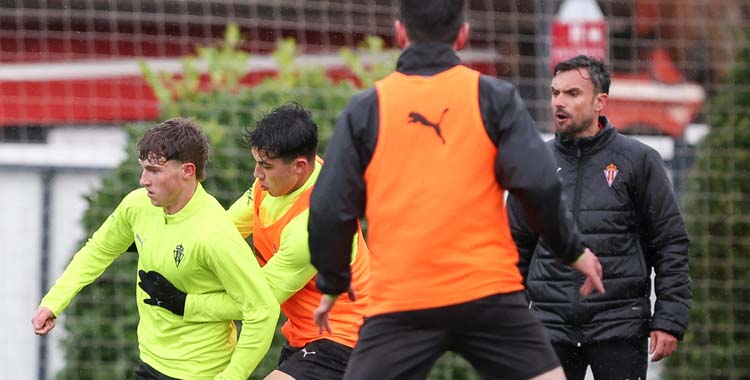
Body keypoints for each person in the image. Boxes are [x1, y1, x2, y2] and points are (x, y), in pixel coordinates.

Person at [306, 2, 605, 380]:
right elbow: (539, 186)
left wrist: (332, 283)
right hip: (486, 294)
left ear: (400, 33)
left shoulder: (367, 108)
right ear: (462, 34)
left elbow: (330, 209)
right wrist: (573, 251)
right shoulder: (494, 97)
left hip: (402, 301)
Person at [31, 118, 280, 380]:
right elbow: (98, 251)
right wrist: (53, 302)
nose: (143, 180)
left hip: (199, 372)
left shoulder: (215, 234)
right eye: (143, 169)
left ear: (187, 171)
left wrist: (231, 377)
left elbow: (262, 310)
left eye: (154, 171)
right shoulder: (137, 206)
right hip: (149, 363)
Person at [138, 103, 371, 380]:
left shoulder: (315, 226)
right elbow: (221, 232)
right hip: (305, 336)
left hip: (349, 340)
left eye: (266, 166)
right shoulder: (277, 182)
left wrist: (184, 304)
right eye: (256, 162)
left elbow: (255, 302)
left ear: (299, 166)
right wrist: (170, 236)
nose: (256, 174)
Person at [507, 55, 692, 380]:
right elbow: (514, 248)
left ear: (599, 102)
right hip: (549, 328)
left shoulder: (638, 161)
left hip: (619, 327)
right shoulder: (533, 162)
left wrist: (669, 318)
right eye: (555, 93)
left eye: (572, 93)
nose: (559, 102)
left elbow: (669, 243)